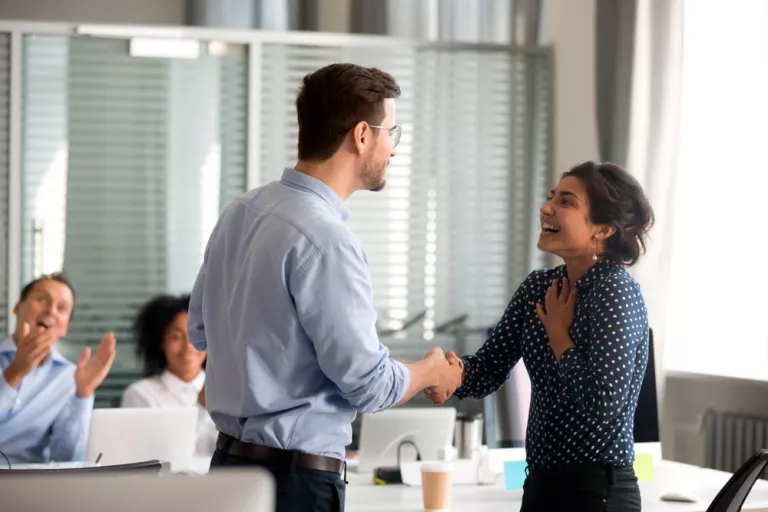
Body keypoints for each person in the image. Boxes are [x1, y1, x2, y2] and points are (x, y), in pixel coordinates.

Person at [188, 63, 461, 512]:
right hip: (294, 484)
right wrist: (431, 371)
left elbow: (200, 332)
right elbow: (368, 386)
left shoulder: (241, 211)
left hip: (228, 471)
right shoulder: (327, 240)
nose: (393, 149)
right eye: (392, 132)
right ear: (361, 135)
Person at [428, 161, 654, 512]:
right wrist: (445, 374)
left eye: (566, 202)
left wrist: (560, 338)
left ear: (603, 229)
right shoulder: (539, 286)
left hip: (597, 493)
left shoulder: (615, 291)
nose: (546, 208)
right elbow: (487, 369)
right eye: (552, 197)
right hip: (539, 485)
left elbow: (604, 403)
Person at [0, 273, 116, 463]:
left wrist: (83, 393)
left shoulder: (68, 376)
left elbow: (70, 458)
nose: (51, 311)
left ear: (65, 327)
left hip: (28, 483)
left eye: (62, 308)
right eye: (42, 300)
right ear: (17, 307)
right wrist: (16, 371)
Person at [121, 294, 217, 456]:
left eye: (196, 336)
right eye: (176, 337)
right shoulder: (141, 395)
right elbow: (158, 456)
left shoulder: (228, 390)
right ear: (160, 342)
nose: (188, 346)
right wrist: (201, 409)